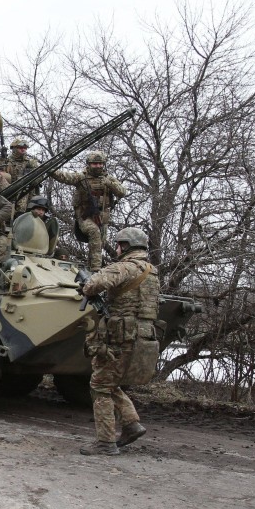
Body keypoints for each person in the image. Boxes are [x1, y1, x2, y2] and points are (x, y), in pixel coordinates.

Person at [78, 227, 159, 456]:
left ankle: (105, 442)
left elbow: (93, 284)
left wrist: (87, 285)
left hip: (121, 336)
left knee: (99, 385)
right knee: (109, 381)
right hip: (142, 336)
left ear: (126, 246)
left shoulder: (125, 267)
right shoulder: (152, 272)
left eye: (118, 245)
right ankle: (132, 424)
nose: (116, 249)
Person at [50, 151, 126, 271]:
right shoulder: (81, 177)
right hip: (85, 216)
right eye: (95, 164)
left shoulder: (108, 179)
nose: (98, 166)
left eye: (100, 164)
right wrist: (50, 169)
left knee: (99, 243)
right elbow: (64, 177)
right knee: (94, 232)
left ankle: (91, 268)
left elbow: (122, 192)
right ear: (89, 164)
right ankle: (96, 269)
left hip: (102, 218)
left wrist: (110, 184)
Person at [4, 137, 41, 215]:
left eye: (25, 148)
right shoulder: (7, 162)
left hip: (28, 191)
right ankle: (19, 214)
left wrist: (32, 178)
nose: (23, 150)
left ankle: (23, 215)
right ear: (14, 149)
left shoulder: (31, 163)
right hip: (11, 190)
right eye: (20, 148)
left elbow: (39, 176)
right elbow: (0, 173)